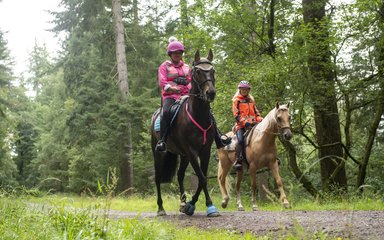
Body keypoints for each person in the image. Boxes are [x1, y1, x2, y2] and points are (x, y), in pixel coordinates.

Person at [155, 37, 231, 152]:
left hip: (186, 95)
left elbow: (193, 80)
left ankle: (218, 138)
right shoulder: (164, 66)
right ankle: (163, 140)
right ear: (170, 54)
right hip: (170, 96)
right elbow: (162, 81)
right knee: (165, 112)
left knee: (207, 111)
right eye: (175, 53)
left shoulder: (186, 67)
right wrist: (172, 88)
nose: (177, 55)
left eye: (179, 53)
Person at [232, 80, 263, 170]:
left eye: (246, 89)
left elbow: (257, 114)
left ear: (248, 90)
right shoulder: (236, 100)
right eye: (243, 89)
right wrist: (245, 122)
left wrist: (262, 120)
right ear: (240, 90)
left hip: (253, 124)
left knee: (264, 136)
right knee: (241, 140)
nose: (245, 91)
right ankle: (238, 160)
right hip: (241, 126)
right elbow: (236, 115)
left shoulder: (251, 100)